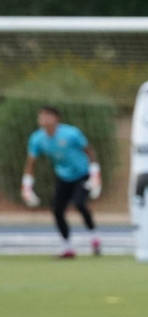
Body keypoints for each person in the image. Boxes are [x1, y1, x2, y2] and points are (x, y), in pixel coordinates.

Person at [22, 106, 101, 259]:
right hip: (63, 176)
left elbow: (89, 151)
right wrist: (27, 186)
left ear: (56, 118)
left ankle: (94, 237)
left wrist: (95, 174)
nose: (43, 119)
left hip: (82, 174)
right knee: (57, 210)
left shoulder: (71, 133)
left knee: (79, 203)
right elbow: (31, 162)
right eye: (41, 116)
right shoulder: (37, 138)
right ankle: (67, 247)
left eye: (47, 116)